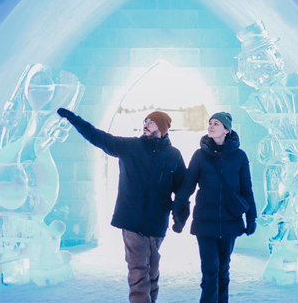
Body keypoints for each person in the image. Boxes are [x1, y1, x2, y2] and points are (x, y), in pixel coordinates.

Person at [57, 108, 186, 303]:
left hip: (157, 221)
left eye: (151, 121)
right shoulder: (129, 146)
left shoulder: (173, 155)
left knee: (152, 271)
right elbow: (98, 137)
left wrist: (180, 217)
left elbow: (182, 189)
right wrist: (74, 119)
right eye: (145, 120)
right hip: (132, 220)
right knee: (138, 271)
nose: (146, 124)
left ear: (162, 127)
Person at [172, 112, 257, 303]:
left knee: (223, 270)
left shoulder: (240, 157)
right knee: (210, 271)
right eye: (209, 123)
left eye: (216, 123)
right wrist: (177, 210)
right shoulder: (200, 155)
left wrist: (251, 217)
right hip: (205, 222)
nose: (211, 126)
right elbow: (188, 186)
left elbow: (247, 189)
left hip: (230, 221)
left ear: (226, 130)